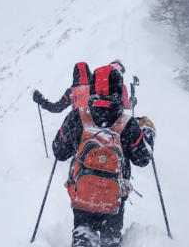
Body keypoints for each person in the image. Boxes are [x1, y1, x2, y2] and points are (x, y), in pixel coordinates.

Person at [52, 64, 156, 247]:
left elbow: (59, 152)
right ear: (118, 89)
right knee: (110, 238)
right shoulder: (128, 124)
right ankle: (110, 238)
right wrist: (147, 135)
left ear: (93, 88)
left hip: (83, 195)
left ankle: (83, 237)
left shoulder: (78, 117)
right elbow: (143, 159)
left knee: (83, 232)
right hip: (112, 199)